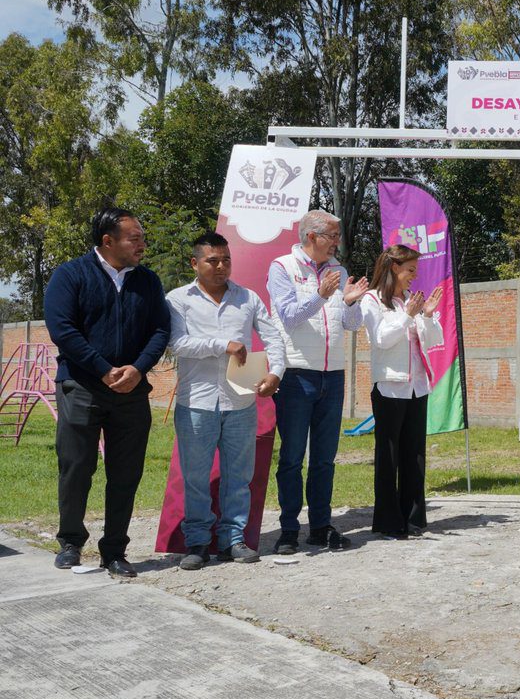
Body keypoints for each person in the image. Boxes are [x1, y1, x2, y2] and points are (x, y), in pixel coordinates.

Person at [45, 207, 171, 577]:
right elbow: (63, 330)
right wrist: (103, 369)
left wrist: (138, 368)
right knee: (76, 467)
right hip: (81, 387)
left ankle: (114, 550)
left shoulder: (147, 281)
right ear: (107, 241)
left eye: (142, 237)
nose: (142, 244)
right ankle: (70, 542)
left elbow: (160, 330)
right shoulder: (70, 275)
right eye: (135, 238)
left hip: (131, 392)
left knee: (126, 473)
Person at [167, 232, 286, 570]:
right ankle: (198, 543)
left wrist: (276, 373)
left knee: (239, 475)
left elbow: (273, 336)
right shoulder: (177, 299)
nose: (221, 267)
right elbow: (178, 343)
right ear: (195, 263)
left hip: (241, 401)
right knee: (195, 476)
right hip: (197, 402)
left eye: (226, 260)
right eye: (213, 261)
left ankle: (233, 539)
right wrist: (224, 344)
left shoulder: (247, 298)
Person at [267, 210, 369, 554]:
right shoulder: (282, 267)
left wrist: (351, 302)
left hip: (333, 374)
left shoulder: (338, 271)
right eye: (332, 236)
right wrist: (321, 296)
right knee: (293, 457)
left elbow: (351, 325)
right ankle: (288, 529)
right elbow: (290, 318)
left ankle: (321, 526)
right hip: (296, 374)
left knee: (325, 458)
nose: (337, 242)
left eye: (338, 236)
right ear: (311, 236)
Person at [362, 246, 444, 540]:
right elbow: (381, 340)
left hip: (417, 386)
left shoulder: (411, 300)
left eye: (415, 271)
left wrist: (429, 316)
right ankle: (388, 521)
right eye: (410, 270)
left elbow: (433, 341)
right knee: (389, 456)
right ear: (393, 267)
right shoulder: (371, 300)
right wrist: (407, 317)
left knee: (415, 455)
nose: (414, 276)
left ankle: (413, 518)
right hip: (389, 386)